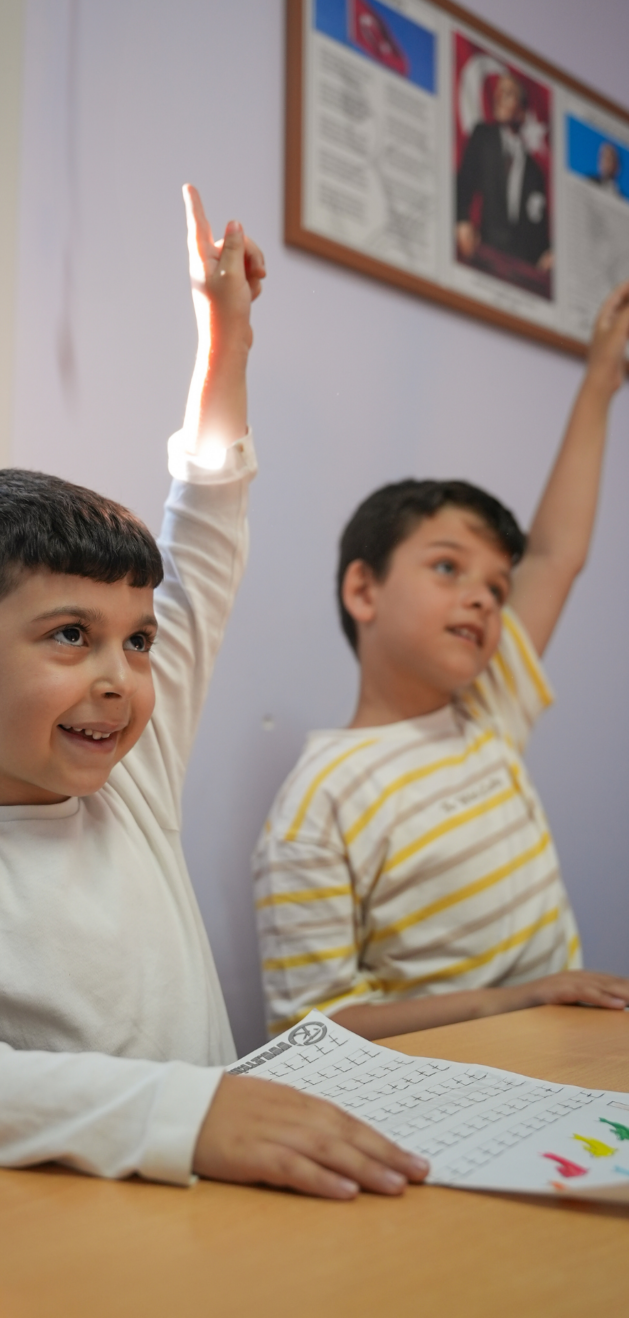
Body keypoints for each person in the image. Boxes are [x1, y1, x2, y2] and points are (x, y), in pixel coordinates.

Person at [0, 186, 427, 1203]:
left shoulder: (130, 783)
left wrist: (226, 344)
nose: (118, 678)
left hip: (219, 1226)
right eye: (69, 635)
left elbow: (204, 530)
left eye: (139, 640)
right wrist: (182, 1113)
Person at [253, 283, 629, 1042]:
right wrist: (513, 999)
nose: (485, 598)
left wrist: (600, 381)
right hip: (449, 1082)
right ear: (364, 589)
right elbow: (312, 1027)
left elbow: (555, 555)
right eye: (449, 568)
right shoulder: (320, 802)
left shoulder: (489, 709)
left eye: (497, 587)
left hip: (568, 1052)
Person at [456, 72, 551, 271]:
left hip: (521, 265)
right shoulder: (483, 137)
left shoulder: (534, 172)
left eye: (508, 94)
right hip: (484, 253)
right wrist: (462, 220)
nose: (499, 97)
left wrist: (546, 253)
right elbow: (464, 182)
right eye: (498, 93)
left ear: (522, 111)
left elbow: (538, 225)